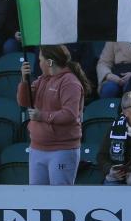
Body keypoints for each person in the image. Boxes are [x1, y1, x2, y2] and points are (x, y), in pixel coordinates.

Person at [17, 44, 90, 185]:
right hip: (37, 148)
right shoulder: (42, 80)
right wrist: (24, 80)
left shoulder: (70, 82)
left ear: (49, 62)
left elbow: (69, 114)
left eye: (40, 60)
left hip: (62, 150)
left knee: (59, 196)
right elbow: (24, 101)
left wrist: (41, 116)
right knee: (37, 196)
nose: (39, 63)